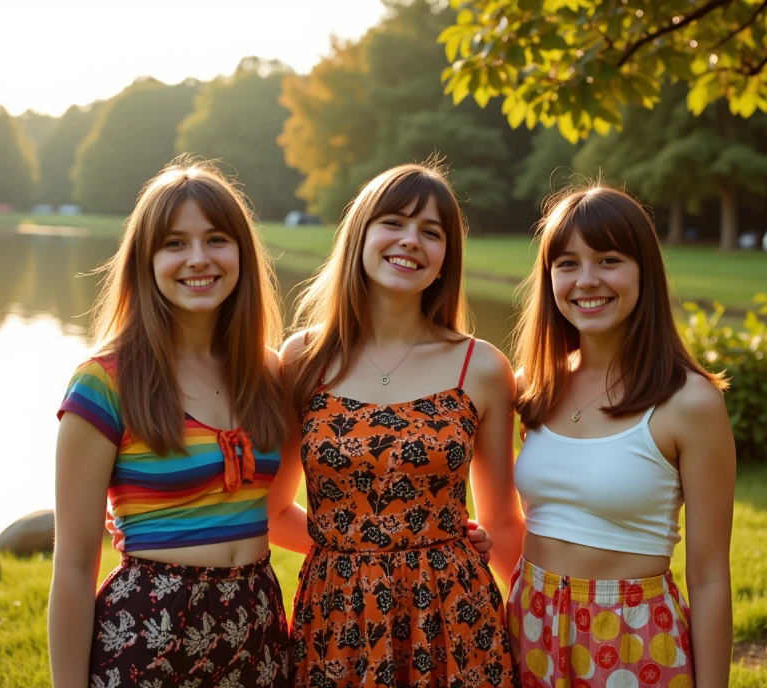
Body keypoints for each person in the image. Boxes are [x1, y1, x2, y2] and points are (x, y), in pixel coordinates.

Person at [273, 162, 524, 687]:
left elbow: (501, 522)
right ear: (360, 234)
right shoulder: (304, 358)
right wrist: (365, 558)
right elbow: (273, 510)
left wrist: (527, 630)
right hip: (337, 614)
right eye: (394, 222)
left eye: (431, 232)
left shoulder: (480, 367)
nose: (411, 241)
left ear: (444, 261)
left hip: (455, 615)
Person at [49, 158, 291, 688]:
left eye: (217, 239)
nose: (198, 258)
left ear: (242, 254)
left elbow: (273, 510)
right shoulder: (105, 382)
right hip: (151, 635)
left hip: (257, 630)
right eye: (175, 243)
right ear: (146, 259)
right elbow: (71, 564)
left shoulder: (267, 371)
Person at [509, 185, 735, 688]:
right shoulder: (533, 387)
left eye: (608, 259)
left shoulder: (690, 403)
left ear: (643, 272)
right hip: (530, 621)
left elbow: (710, 577)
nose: (586, 280)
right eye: (567, 263)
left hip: (632, 636)